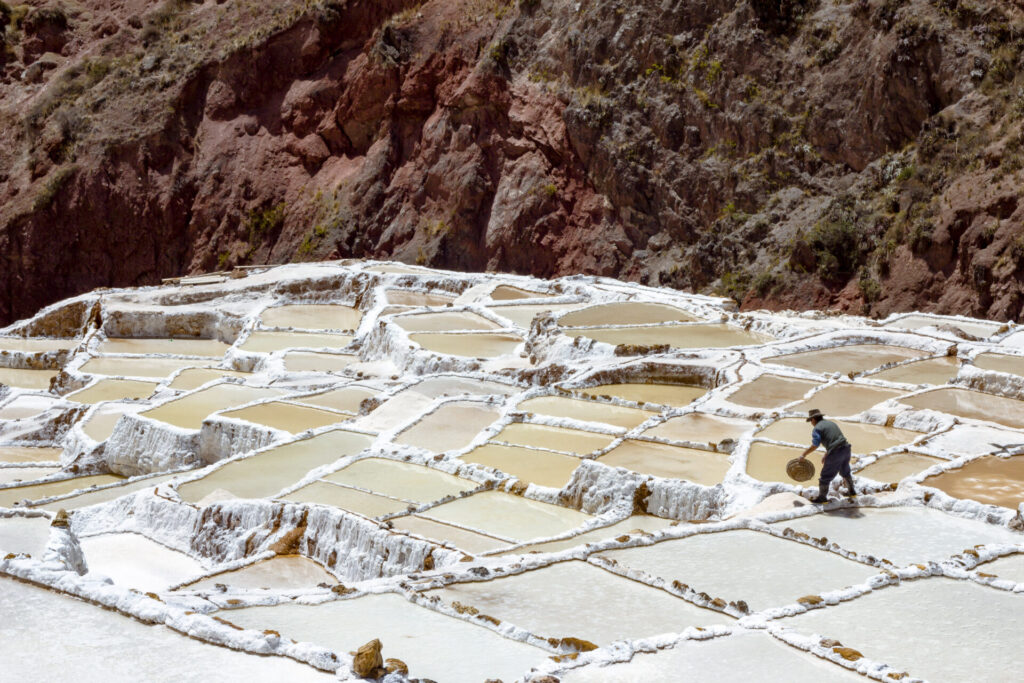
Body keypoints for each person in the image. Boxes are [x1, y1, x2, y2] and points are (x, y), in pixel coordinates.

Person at [799, 408, 856, 503]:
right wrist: (826, 454)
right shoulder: (831, 423)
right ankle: (852, 492)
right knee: (845, 472)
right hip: (846, 449)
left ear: (813, 419)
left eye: (811, 421)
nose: (811, 423)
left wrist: (803, 454)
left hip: (835, 452)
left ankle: (822, 498)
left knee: (825, 477)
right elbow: (835, 439)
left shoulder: (817, 429)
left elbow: (815, 445)